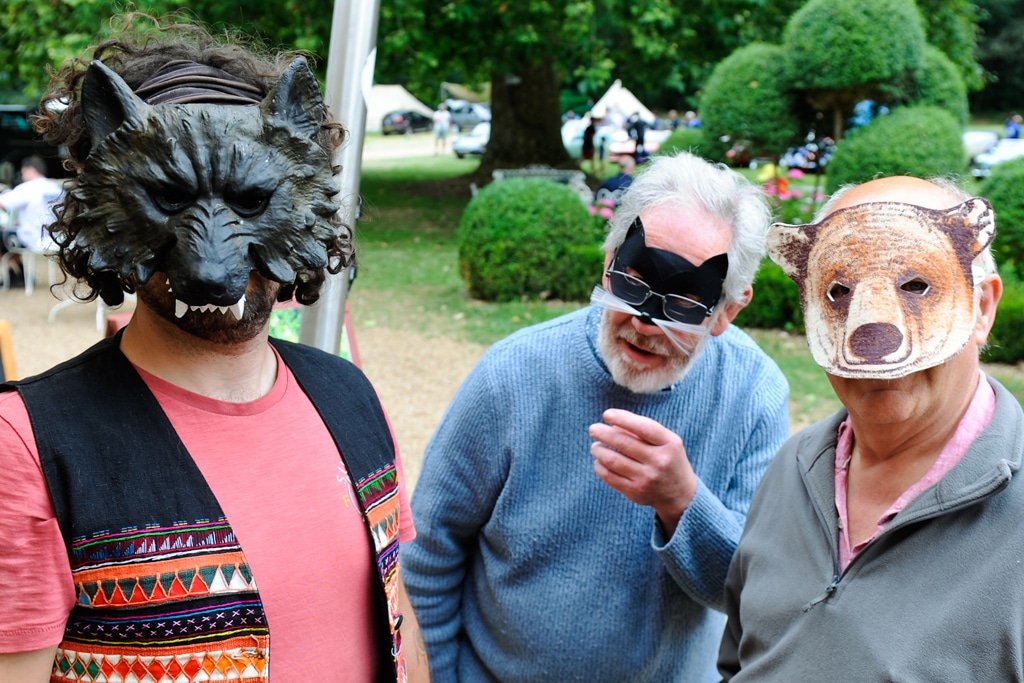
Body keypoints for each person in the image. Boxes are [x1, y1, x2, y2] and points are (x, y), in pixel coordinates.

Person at [0, 16, 427, 683]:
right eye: (168, 199)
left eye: (252, 200)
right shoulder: (26, 445)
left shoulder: (351, 396)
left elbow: (399, 620)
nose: (210, 266)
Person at [403, 151, 791, 683]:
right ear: (606, 262)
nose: (645, 324)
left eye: (681, 304)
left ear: (728, 311)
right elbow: (426, 555)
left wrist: (681, 503)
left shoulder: (753, 394)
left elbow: (754, 593)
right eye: (631, 284)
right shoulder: (513, 376)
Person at [718, 176, 1022, 680]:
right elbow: (740, 658)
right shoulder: (791, 469)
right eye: (838, 292)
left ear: (982, 309)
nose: (872, 329)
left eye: (916, 287)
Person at [0, 155, 64, 285]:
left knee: (3, 237)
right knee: (8, 237)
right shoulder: (56, 188)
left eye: (23, 172)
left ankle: (12, 275)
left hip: (33, 238)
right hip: (56, 238)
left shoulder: (27, 188)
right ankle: (20, 275)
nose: (22, 176)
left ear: (30, 170)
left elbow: (3, 203)